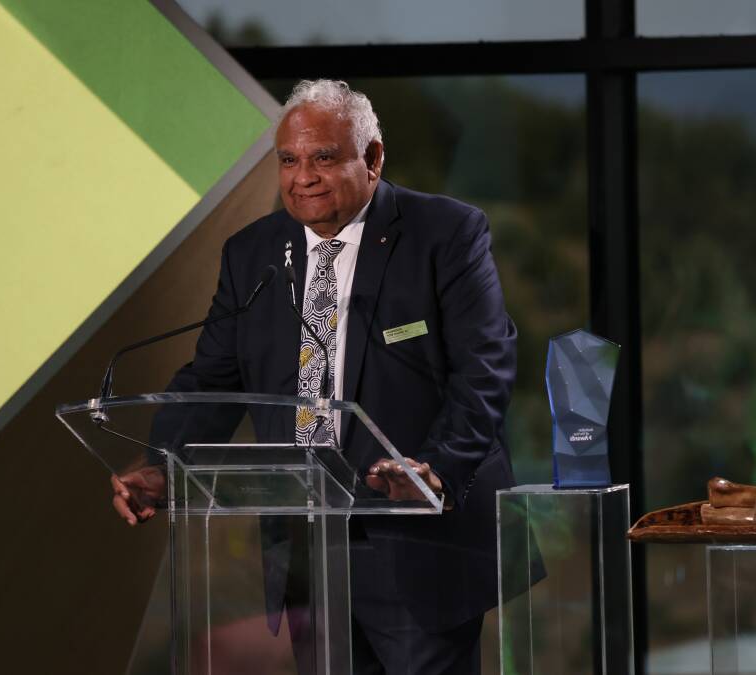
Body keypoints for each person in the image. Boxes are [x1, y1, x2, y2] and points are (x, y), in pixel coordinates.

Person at [110, 79, 517, 675]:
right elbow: (213, 381)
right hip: (305, 548)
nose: (303, 177)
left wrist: (436, 471)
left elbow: (484, 369)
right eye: (289, 160)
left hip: (415, 543)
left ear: (372, 158)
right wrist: (162, 462)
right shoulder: (253, 254)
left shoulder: (445, 234)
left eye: (324, 158)